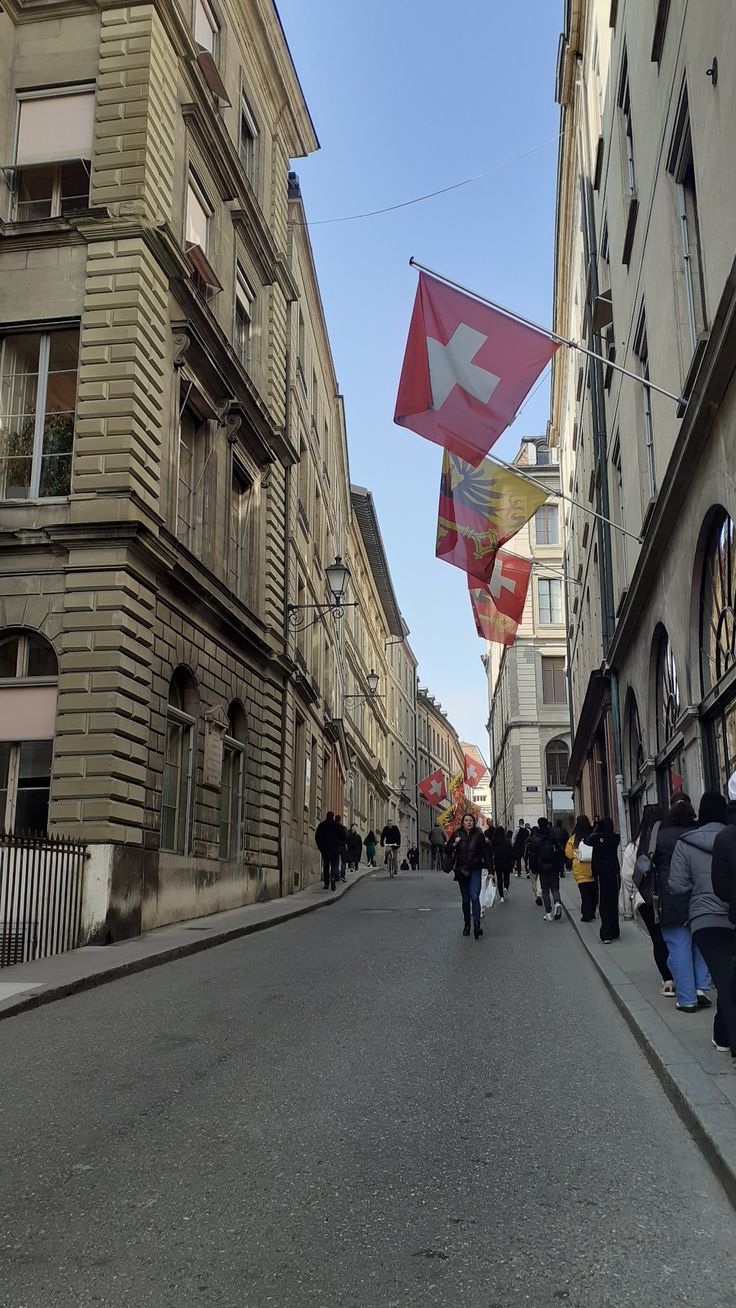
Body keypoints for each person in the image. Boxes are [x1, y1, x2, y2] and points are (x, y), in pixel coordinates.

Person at [669, 792, 735, 1056]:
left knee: (725, 981)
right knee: (727, 981)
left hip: (705, 921)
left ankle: (725, 1037)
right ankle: (724, 1036)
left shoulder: (685, 844)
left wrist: (697, 890)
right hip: (732, 915)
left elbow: (676, 885)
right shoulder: (731, 838)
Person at [649, 798, 703, 1002]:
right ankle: (702, 988)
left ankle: (687, 997)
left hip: (670, 895)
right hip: (698, 895)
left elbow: (648, 862)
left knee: (678, 945)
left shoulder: (661, 837)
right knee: (699, 943)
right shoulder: (699, 834)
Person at [446, 813, 489, 939]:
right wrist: (454, 844)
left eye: (471, 821)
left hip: (475, 869)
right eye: (466, 821)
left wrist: (491, 870)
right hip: (461, 870)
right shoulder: (457, 834)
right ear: (463, 823)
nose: (469, 823)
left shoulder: (479, 835)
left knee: (475, 897)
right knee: (465, 899)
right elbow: (447, 850)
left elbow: (485, 853)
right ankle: (467, 924)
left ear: (474, 823)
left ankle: (477, 925)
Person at [589, 817, 621, 942]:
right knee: (614, 902)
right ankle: (615, 930)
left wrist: (595, 829)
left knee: (604, 903)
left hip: (601, 874)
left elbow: (587, 840)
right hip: (614, 873)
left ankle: (606, 933)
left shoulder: (596, 838)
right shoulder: (615, 838)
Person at [527, 817, 564, 921]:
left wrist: (534, 868)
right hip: (554, 865)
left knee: (545, 890)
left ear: (539, 824)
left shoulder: (536, 837)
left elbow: (533, 854)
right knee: (555, 888)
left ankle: (548, 913)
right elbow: (559, 850)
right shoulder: (552, 835)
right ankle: (557, 902)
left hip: (542, 866)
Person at [566, 816, 596, 922]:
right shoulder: (593, 835)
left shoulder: (574, 838)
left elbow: (569, 854)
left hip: (580, 869)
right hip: (593, 868)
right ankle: (592, 912)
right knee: (593, 892)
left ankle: (586, 914)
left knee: (585, 894)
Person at [315, 811, 340, 891]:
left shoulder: (322, 825)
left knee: (326, 865)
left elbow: (317, 836)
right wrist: (339, 844)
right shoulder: (336, 825)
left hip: (325, 849)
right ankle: (332, 878)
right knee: (333, 864)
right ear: (333, 816)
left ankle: (326, 883)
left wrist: (320, 847)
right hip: (334, 849)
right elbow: (343, 836)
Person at [491, 826, 514, 903]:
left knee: (499, 879)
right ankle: (506, 887)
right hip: (506, 861)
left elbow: (491, 852)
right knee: (506, 876)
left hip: (498, 862)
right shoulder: (507, 841)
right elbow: (511, 852)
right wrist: (512, 862)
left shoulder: (494, 841)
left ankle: (501, 897)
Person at [334, 814, 349, 882]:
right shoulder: (343, 828)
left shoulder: (332, 827)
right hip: (342, 846)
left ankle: (336, 875)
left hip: (335, 846)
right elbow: (347, 837)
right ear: (340, 820)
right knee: (344, 861)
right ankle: (342, 875)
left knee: (336, 861)